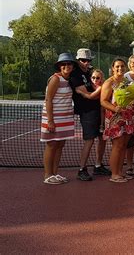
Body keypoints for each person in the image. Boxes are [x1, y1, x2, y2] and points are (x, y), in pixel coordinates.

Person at [69, 48, 110, 181]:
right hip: (87, 113)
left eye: (88, 60)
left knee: (102, 138)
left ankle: (98, 165)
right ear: (78, 60)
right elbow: (90, 96)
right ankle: (82, 169)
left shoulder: (89, 72)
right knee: (89, 140)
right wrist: (102, 88)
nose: (86, 63)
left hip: (99, 110)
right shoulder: (75, 75)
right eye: (83, 60)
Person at [100, 58, 134, 183]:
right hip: (115, 118)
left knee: (123, 146)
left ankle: (120, 172)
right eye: (117, 66)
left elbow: (133, 98)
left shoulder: (126, 82)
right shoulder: (109, 82)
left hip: (128, 118)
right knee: (117, 146)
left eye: (122, 66)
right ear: (113, 68)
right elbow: (103, 101)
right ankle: (114, 174)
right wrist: (115, 109)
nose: (120, 68)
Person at [40, 53, 76, 184]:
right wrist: (50, 120)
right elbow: (48, 99)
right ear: (59, 66)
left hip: (65, 117)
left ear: (73, 66)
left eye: (69, 64)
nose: (66, 66)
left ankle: (55, 173)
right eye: (63, 64)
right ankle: (48, 175)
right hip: (53, 118)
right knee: (52, 145)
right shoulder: (55, 79)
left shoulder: (70, 79)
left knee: (60, 144)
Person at [90, 69, 106, 133]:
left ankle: (102, 125)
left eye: (98, 78)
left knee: (102, 107)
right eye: (93, 77)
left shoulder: (102, 86)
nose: (95, 79)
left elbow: (92, 96)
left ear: (101, 79)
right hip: (92, 113)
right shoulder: (88, 86)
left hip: (102, 107)